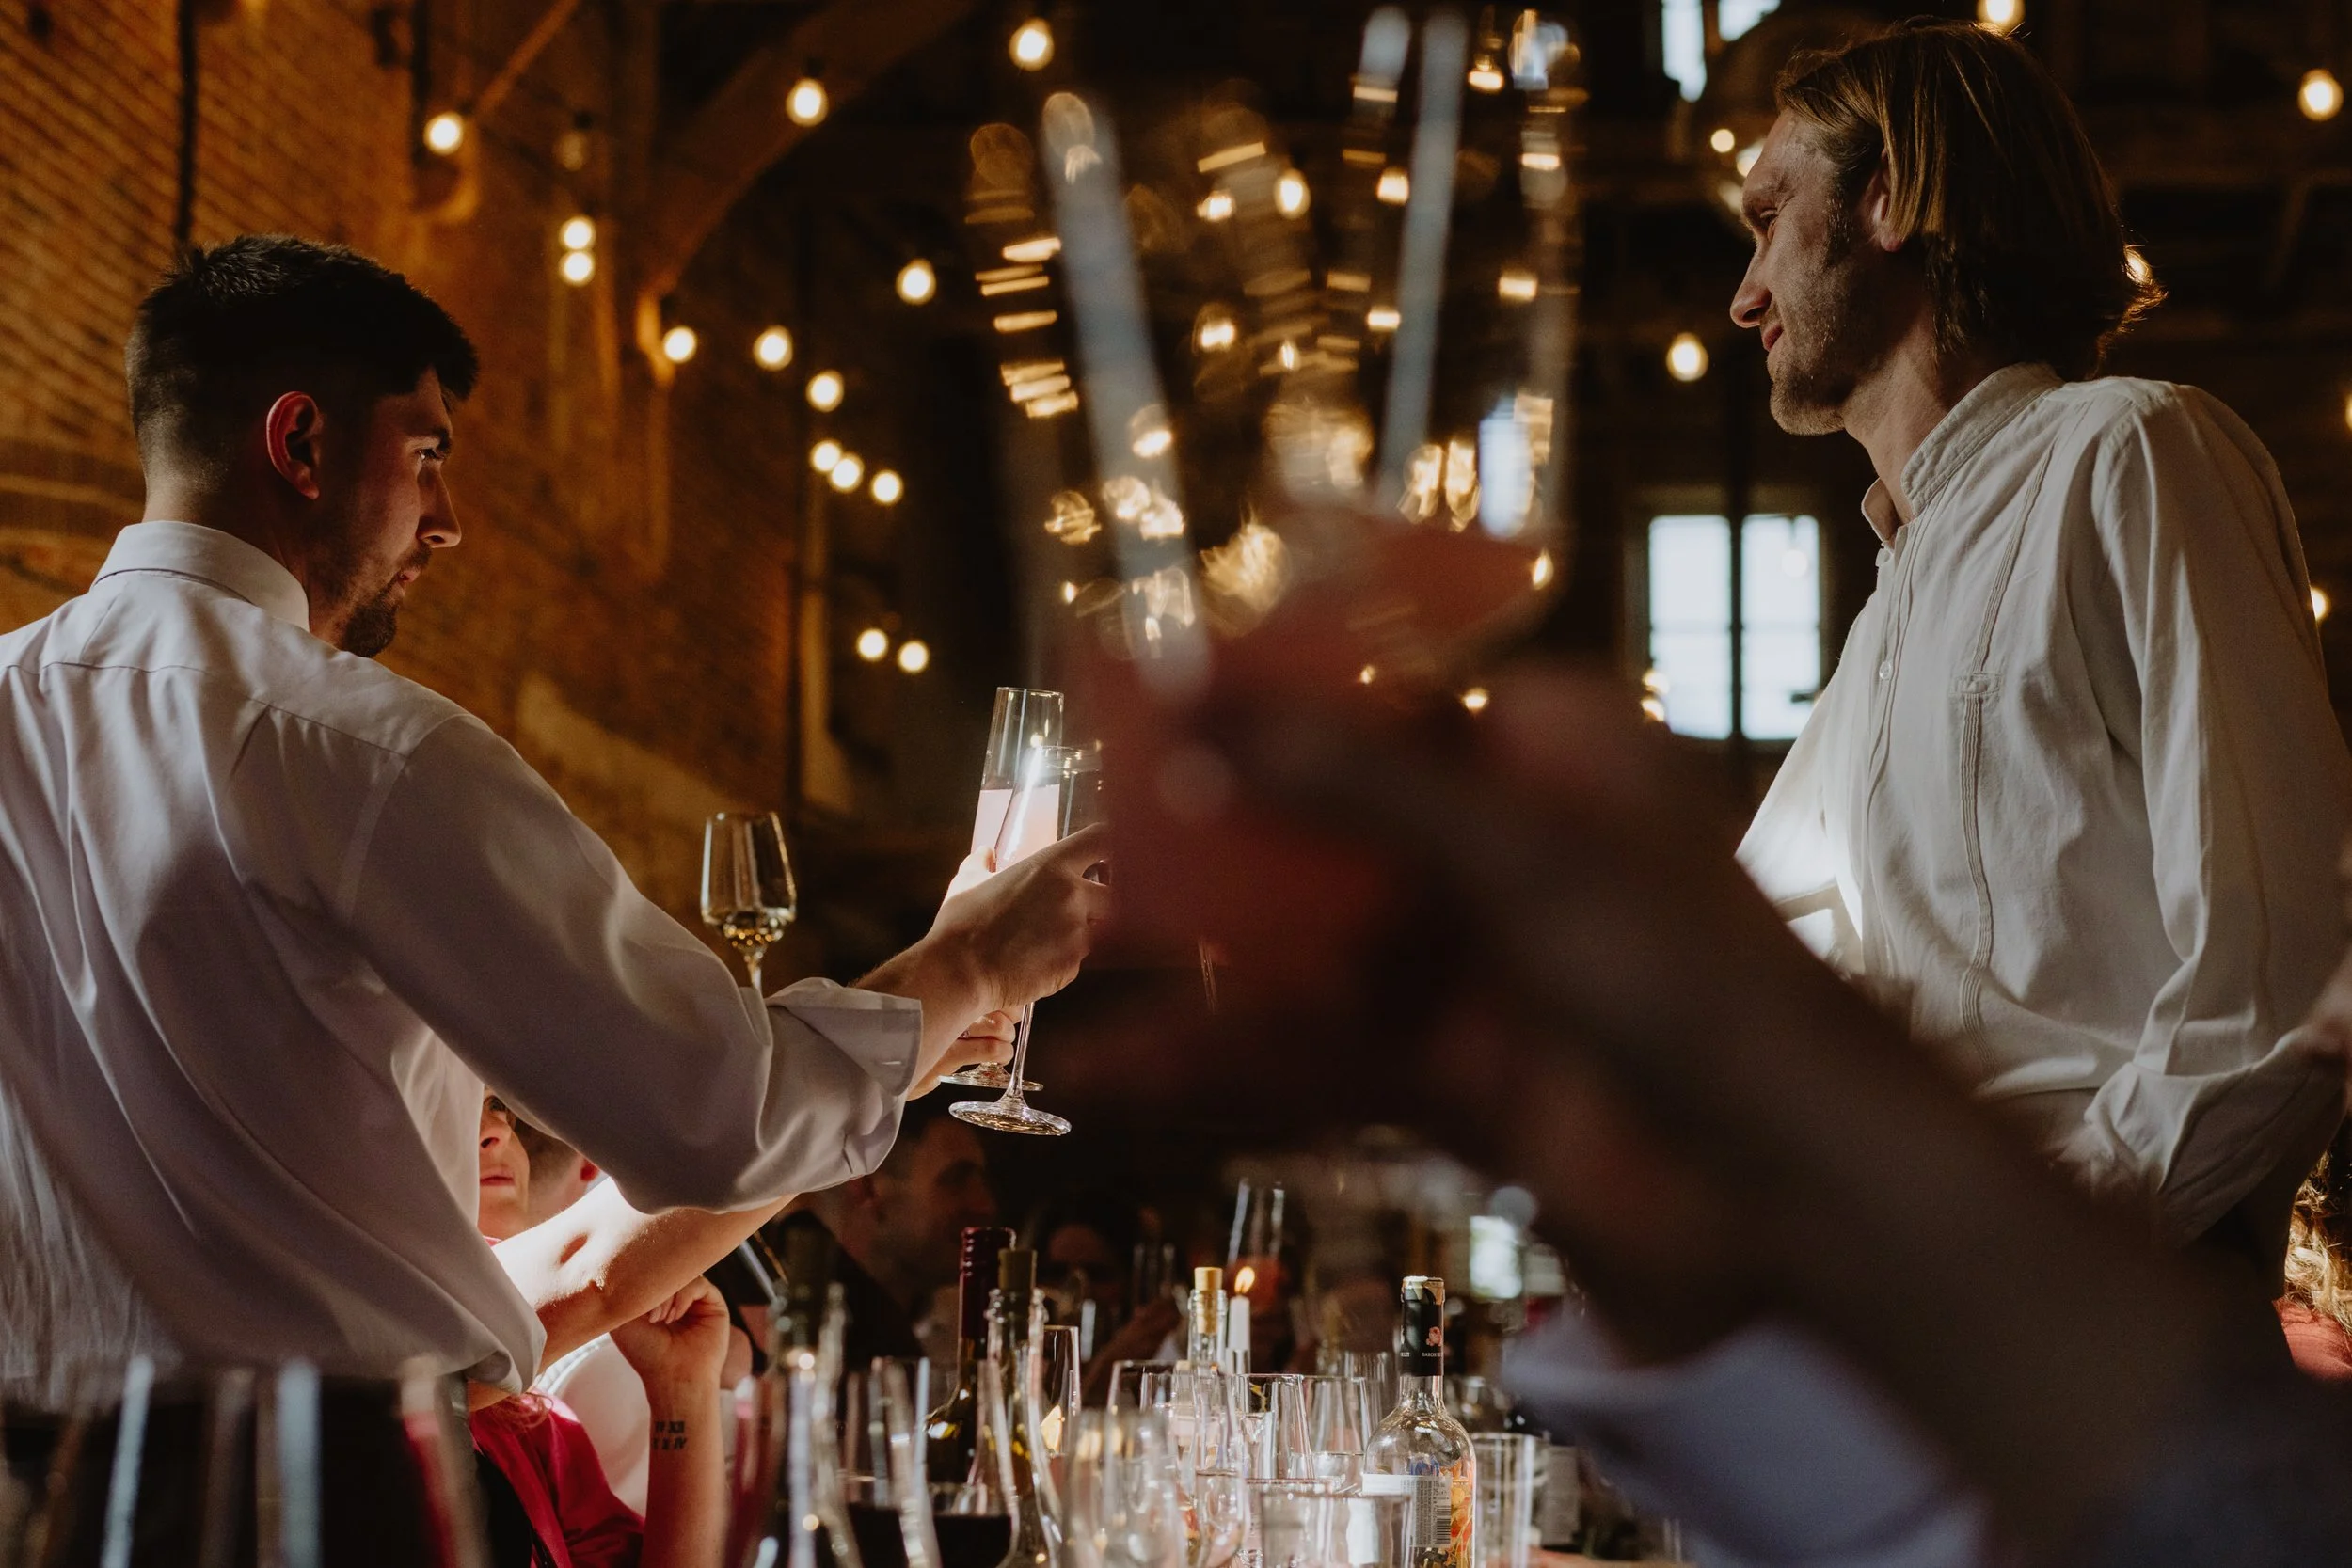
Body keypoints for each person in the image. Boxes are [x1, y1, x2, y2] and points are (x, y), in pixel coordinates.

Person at [0, 234, 1108, 1406]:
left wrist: (922, 1020)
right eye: (425, 456)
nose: (447, 520)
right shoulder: (365, 750)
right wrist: (970, 956)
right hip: (314, 1502)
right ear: (302, 443)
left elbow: (492, 1260)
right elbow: (716, 1114)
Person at [1117, 661, 2352, 1565]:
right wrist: (1697, 1242)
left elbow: (2236, 1499)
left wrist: (1774, 1071)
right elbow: (2244, 1509)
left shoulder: (2125, 447)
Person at [1731, 21, 2349, 1268]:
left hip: (2129, 1318)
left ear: (1890, 198)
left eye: (1767, 218)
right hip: (1957, 1340)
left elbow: (2281, 977)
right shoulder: (1885, 623)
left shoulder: (2131, 450)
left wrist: (2039, 1249)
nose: (1743, 296)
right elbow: (1748, 973)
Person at [473, 1091, 734, 1567]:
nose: (499, 1130)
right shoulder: (390, 1344)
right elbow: (596, 1269)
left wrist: (682, 1387)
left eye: (495, 1103)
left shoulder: (537, 1424)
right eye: (446, 1102)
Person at [755, 1092, 1003, 1370]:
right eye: (956, 1180)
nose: (985, 1205)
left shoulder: (965, 1332)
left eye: (982, 1182)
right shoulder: (774, 1320)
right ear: (867, 1188)